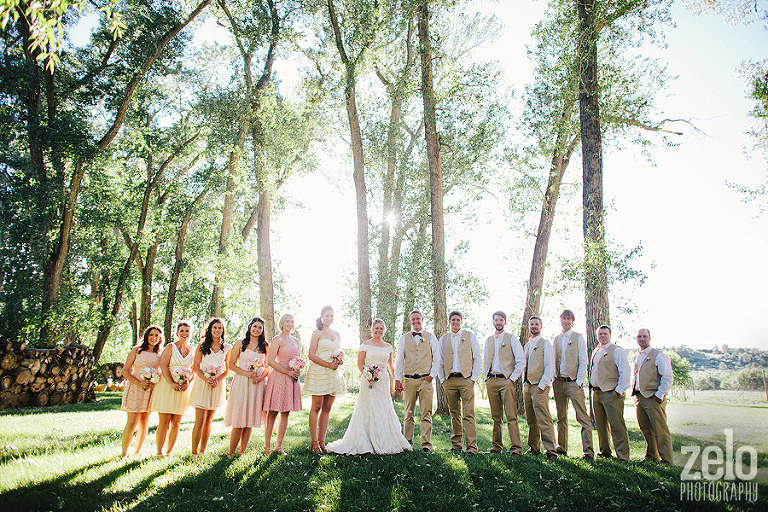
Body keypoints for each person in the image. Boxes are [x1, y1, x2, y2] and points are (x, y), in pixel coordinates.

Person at [326, 319, 412, 454]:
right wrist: (368, 374)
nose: (379, 331)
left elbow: (390, 365)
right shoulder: (365, 345)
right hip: (368, 380)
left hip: (383, 381)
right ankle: (365, 439)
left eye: (381, 329)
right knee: (367, 406)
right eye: (376, 328)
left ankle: (384, 438)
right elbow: (360, 364)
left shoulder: (388, 347)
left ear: (384, 330)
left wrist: (397, 380)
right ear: (372, 330)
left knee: (383, 406)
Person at [436, 311, 481, 454]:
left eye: (458, 320)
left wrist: (473, 378)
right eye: (453, 320)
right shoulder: (444, 339)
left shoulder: (470, 336)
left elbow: (477, 358)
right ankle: (456, 445)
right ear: (449, 321)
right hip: (450, 380)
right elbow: (440, 361)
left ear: (461, 321)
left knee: (468, 413)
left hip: (466, 379)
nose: (455, 322)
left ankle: (472, 447)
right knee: (454, 414)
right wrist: (442, 380)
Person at [224, 317, 270, 457]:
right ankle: (231, 452)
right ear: (250, 326)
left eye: (260, 328)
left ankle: (241, 452)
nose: (257, 329)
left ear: (262, 330)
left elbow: (268, 367)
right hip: (242, 383)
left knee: (249, 417)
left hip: (257, 385)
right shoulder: (240, 343)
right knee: (239, 418)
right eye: (255, 326)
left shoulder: (265, 346)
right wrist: (247, 374)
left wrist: (260, 378)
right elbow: (231, 365)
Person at [394, 309, 439, 452]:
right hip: (409, 380)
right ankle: (408, 443)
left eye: (418, 319)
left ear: (422, 319)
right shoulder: (403, 338)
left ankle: (426, 444)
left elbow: (437, 358)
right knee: (409, 413)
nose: (415, 321)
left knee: (426, 413)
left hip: (425, 380)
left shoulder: (431, 337)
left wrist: (432, 375)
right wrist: (397, 379)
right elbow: (399, 360)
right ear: (410, 321)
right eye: (413, 319)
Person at [552, 309, 594, 460]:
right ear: (560, 320)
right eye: (564, 318)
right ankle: (562, 447)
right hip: (559, 382)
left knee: (582, 417)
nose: (566, 321)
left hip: (573, 383)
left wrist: (578, 382)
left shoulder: (578, 337)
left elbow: (583, 361)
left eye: (569, 319)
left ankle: (588, 451)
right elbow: (553, 360)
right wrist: (553, 378)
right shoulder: (556, 339)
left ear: (572, 321)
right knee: (561, 417)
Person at [482, 311, 525, 454]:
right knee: (496, 417)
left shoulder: (512, 339)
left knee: (511, 415)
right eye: (496, 320)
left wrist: (512, 379)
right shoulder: (488, 340)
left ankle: (516, 447)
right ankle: (496, 446)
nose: (499, 322)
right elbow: (485, 360)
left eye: (501, 320)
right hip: (491, 380)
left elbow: (521, 361)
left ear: (505, 322)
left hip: (506, 380)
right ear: (493, 321)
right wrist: (485, 378)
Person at [304, 306, 345, 454]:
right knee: (317, 406)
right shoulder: (317, 333)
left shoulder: (337, 334)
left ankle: (322, 441)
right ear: (321, 317)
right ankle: (313, 442)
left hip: (334, 374)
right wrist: (328, 364)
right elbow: (311, 355)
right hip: (320, 372)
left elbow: (340, 352)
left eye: (332, 316)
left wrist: (339, 360)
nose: (329, 318)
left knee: (327, 407)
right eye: (327, 315)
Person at [189, 318, 230, 460]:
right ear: (210, 329)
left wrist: (217, 380)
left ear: (223, 330)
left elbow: (228, 370)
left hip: (216, 386)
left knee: (208, 420)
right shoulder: (201, 346)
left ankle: (202, 452)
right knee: (199, 419)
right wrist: (206, 378)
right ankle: (194, 453)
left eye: (220, 328)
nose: (217, 330)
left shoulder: (226, 348)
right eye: (215, 327)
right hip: (202, 383)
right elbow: (195, 367)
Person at [152, 321, 195, 458]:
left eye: (187, 331)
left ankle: (168, 452)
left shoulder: (193, 350)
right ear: (177, 333)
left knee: (176, 422)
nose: (184, 334)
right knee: (164, 422)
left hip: (183, 388)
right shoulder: (171, 347)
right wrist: (171, 383)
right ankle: (159, 452)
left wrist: (187, 383)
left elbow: (194, 370)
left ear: (190, 333)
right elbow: (163, 365)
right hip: (167, 386)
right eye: (181, 331)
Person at [631, 328, 674, 464]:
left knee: (660, 429)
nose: (642, 339)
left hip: (653, 397)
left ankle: (667, 459)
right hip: (639, 396)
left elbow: (667, 377)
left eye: (644, 336)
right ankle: (651, 456)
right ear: (636, 338)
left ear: (650, 338)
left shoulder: (659, 355)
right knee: (645, 428)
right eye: (639, 336)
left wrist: (659, 394)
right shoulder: (636, 356)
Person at [120, 325, 164, 458]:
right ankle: (124, 453)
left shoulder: (160, 354)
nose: (154, 338)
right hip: (135, 387)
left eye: (157, 335)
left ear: (160, 338)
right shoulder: (137, 350)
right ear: (147, 336)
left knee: (144, 421)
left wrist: (154, 379)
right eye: (151, 335)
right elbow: (125, 371)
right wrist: (139, 382)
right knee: (132, 421)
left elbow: (162, 372)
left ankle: (137, 452)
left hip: (150, 389)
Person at [589, 324, 631, 461]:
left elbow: (624, 371)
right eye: (600, 334)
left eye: (605, 334)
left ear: (610, 335)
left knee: (616, 425)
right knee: (601, 425)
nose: (602, 336)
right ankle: (605, 451)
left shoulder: (617, 351)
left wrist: (619, 390)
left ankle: (623, 455)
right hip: (596, 393)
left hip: (611, 393)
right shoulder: (596, 351)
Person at [262, 314, 303, 455]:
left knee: (286, 412)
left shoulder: (297, 341)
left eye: (292, 321)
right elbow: (271, 361)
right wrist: (287, 372)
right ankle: (267, 446)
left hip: (292, 379)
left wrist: (297, 370)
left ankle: (278, 446)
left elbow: (298, 359)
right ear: (282, 323)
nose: (290, 323)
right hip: (279, 377)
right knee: (272, 412)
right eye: (287, 321)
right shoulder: (277, 339)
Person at [523, 316, 557, 459]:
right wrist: (525, 383)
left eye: (537, 324)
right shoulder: (527, 345)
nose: (534, 326)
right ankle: (534, 447)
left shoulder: (545, 343)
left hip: (540, 385)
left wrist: (543, 385)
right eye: (532, 324)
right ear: (529, 327)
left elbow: (549, 365)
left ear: (541, 327)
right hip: (528, 385)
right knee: (531, 418)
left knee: (543, 418)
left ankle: (551, 449)